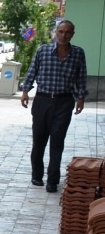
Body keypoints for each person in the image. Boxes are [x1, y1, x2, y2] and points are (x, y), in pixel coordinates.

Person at [20, 19, 87, 193]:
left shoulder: (78, 53)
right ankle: (37, 175)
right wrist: (25, 91)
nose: (64, 35)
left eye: (68, 32)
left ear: (73, 34)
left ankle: (52, 181)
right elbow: (32, 71)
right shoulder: (43, 50)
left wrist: (81, 98)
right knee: (39, 141)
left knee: (57, 142)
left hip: (64, 102)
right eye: (61, 32)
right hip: (42, 101)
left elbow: (81, 77)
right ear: (56, 33)